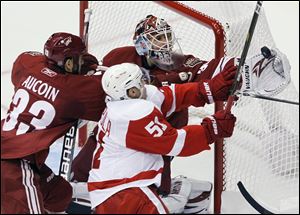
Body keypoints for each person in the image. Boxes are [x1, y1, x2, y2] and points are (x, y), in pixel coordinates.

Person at [87, 62, 237, 214]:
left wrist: (209, 89)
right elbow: (175, 143)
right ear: (132, 91)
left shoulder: (122, 104)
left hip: (111, 193)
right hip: (125, 193)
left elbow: (171, 96)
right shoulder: (132, 114)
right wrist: (212, 129)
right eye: (141, 82)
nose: (145, 84)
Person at [1, 32, 106, 214]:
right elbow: (113, 94)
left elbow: (33, 62)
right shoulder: (73, 92)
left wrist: (73, 68)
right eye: (77, 58)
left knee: (60, 195)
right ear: (67, 63)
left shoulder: (28, 65)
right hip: (15, 165)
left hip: (12, 149)